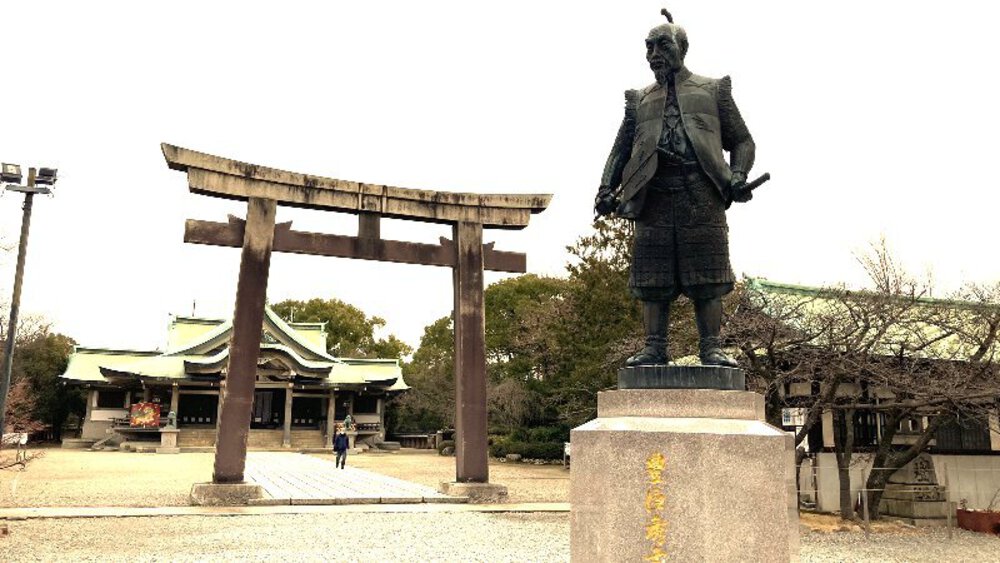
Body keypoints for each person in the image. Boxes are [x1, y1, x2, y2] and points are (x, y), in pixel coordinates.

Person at [595, 9, 757, 368]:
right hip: (652, 193)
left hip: (700, 190)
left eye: (662, 45)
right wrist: (606, 187)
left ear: (682, 48)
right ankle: (654, 346)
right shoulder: (639, 100)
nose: (654, 53)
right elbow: (621, 149)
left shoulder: (713, 90)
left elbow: (743, 141)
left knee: (708, 273)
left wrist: (738, 175)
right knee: (653, 276)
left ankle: (711, 346)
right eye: (649, 46)